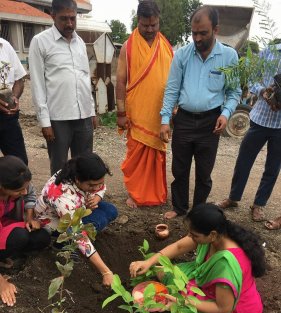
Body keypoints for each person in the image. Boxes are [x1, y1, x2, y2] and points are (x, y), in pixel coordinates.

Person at [130, 203, 265, 313]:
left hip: (232, 309)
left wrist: (183, 302)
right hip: (209, 286)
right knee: (165, 272)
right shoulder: (217, 234)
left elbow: (222, 309)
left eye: (194, 235)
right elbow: (179, 246)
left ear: (212, 234)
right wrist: (149, 262)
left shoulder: (226, 264)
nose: (190, 237)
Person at [160, 5, 241, 219]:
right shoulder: (182, 55)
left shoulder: (229, 57)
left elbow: (234, 92)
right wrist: (165, 119)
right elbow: (172, 90)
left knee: (204, 173)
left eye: (202, 33)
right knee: (180, 169)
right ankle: (179, 208)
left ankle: (198, 212)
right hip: (184, 120)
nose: (197, 38)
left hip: (211, 123)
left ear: (215, 29)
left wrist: (226, 114)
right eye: (194, 33)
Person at [29, 0, 96, 176]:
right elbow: (37, 84)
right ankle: (58, 201)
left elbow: (84, 78)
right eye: (64, 19)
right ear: (53, 16)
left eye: (73, 18)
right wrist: (45, 122)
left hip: (83, 116)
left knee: (84, 166)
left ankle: (81, 201)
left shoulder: (80, 42)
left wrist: (92, 112)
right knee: (59, 168)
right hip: (58, 119)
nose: (69, 23)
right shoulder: (40, 42)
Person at [116, 0, 173, 208]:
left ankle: (156, 194)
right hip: (137, 113)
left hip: (160, 114)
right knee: (137, 156)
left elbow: (173, 82)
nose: (150, 30)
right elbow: (121, 81)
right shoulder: (128, 47)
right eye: (145, 25)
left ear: (158, 22)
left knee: (157, 156)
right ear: (137, 21)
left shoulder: (166, 47)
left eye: (154, 25)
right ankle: (136, 194)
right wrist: (121, 113)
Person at [217, 42, 281, 222]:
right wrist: (263, 91)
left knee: (273, 168)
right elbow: (252, 78)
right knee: (244, 160)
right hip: (260, 118)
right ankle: (233, 197)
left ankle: (259, 204)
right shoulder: (270, 51)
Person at [35, 153, 118, 286]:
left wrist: (96, 197)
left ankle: (70, 239)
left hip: (77, 208)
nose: (96, 188)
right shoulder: (62, 197)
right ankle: (62, 243)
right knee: (92, 225)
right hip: (54, 222)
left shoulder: (80, 173)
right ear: (78, 180)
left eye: (99, 183)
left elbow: (101, 188)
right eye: (92, 186)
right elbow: (79, 234)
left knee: (110, 210)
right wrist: (106, 272)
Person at [0, 156, 51, 306]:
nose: (23, 192)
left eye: (24, 187)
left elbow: (29, 193)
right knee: (20, 237)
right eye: (18, 190)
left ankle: (6, 255)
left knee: (42, 237)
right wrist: (2, 282)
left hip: (5, 224)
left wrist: (29, 218)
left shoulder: (20, 185)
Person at [0, 37, 28, 165]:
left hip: (8, 117)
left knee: (19, 164)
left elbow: (19, 80)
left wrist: (15, 97)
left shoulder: (5, 46)